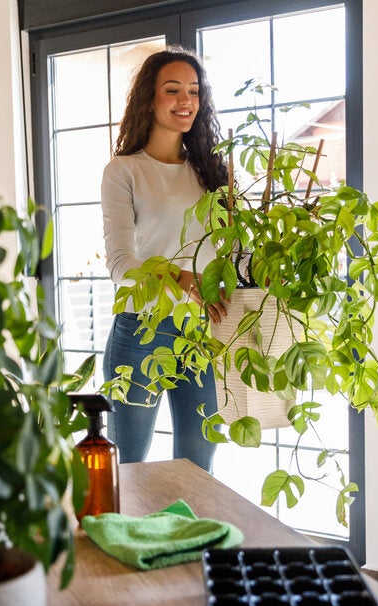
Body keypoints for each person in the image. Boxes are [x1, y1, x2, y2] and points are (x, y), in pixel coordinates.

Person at [101, 46, 228, 472]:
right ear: (149, 99)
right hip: (141, 329)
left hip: (201, 333)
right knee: (127, 468)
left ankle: (189, 541)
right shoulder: (124, 171)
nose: (185, 100)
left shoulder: (212, 171)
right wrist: (180, 276)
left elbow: (232, 250)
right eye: (172, 90)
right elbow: (121, 264)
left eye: (193, 91)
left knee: (198, 469)